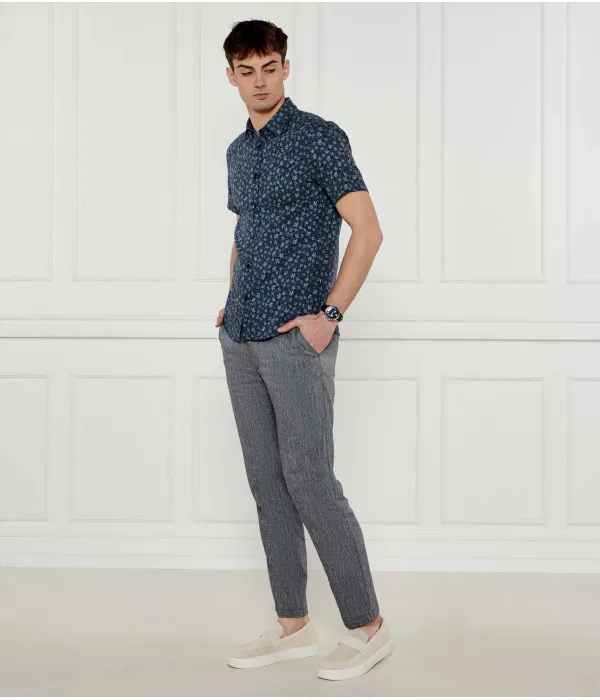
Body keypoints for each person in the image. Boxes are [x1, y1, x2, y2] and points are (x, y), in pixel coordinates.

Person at [218, 19, 391, 681]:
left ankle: (369, 628)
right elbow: (246, 232)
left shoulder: (320, 137)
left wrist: (330, 316)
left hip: (297, 338)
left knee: (311, 481)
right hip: (241, 333)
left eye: (269, 67)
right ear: (231, 77)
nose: (259, 81)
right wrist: (230, 297)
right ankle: (293, 625)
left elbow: (368, 230)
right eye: (247, 71)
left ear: (285, 67)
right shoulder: (238, 151)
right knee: (267, 484)